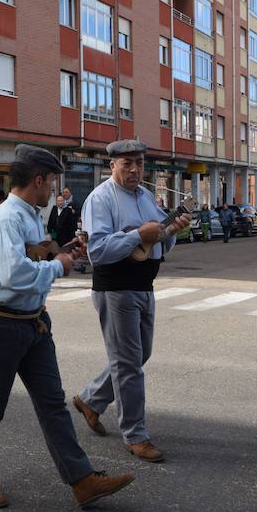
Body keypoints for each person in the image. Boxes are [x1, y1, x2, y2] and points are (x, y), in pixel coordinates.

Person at [0, 144, 135, 509]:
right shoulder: (8, 218)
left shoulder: (28, 215)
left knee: (53, 403)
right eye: (52, 182)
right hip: (3, 325)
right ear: (38, 180)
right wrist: (59, 266)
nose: (53, 189)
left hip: (33, 323)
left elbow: (32, 258)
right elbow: (14, 275)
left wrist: (63, 253)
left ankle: (82, 479)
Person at [71, 140, 190, 463]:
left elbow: (160, 242)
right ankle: (135, 435)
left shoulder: (147, 197)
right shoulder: (101, 199)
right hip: (116, 288)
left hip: (144, 285)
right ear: (112, 166)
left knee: (139, 355)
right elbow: (98, 252)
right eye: (127, 163)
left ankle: (91, 399)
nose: (135, 169)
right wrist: (139, 235)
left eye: (139, 162)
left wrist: (173, 230)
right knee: (128, 364)